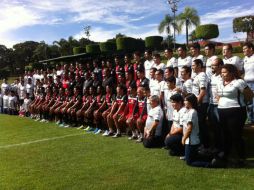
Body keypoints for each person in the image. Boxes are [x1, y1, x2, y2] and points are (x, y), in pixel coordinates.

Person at [217, 64, 248, 166]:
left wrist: (243, 103)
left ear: (231, 72)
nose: (222, 74)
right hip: (222, 111)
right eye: (221, 72)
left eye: (225, 72)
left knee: (236, 135)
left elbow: (250, 95)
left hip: (236, 112)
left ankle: (241, 158)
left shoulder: (239, 82)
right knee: (225, 135)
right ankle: (226, 155)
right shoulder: (220, 82)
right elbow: (218, 96)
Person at [182, 93, 211, 167]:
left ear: (191, 102)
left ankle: (210, 164)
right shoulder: (188, 111)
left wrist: (184, 138)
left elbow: (189, 128)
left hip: (192, 141)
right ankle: (210, 157)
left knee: (189, 162)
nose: (184, 102)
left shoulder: (192, 112)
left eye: (186, 100)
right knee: (190, 156)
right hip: (190, 140)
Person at [191, 59, 209, 149]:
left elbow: (203, 91)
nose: (192, 67)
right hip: (199, 104)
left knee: (201, 125)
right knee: (199, 125)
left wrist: (197, 103)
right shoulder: (198, 75)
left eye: (193, 65)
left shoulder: (202, 75)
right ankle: (202, 144)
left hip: (201, 104)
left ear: (199, 65)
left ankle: (205, 145)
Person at [208, 58, 223, 152]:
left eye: (214, 65)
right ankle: (215, 147)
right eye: (211, 66)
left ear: (220, 66)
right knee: (213, 127)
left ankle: (222, 148)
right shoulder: (212, 76)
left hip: (219, 105)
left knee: (220, 127)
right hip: (211, 104)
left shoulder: (222, 77)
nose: (212, 67)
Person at [243, 42, 254, 124]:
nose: (243, 50)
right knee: (248, 103)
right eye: (243, 49)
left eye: (245, 48)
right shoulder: (244, 59)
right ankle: (250, 119)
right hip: (246, 83)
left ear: (251, 49)